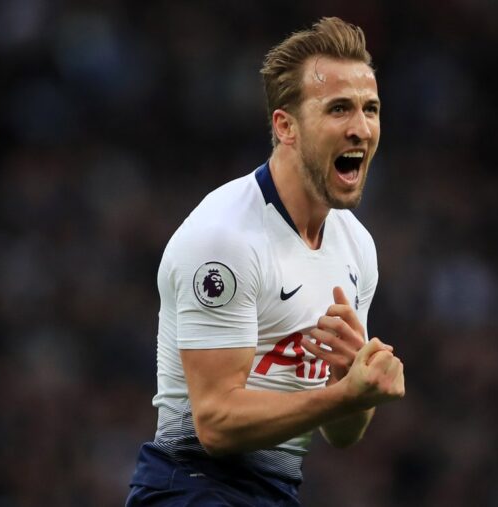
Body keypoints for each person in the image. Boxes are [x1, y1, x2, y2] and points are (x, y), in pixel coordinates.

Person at [126, 17, 405, 506]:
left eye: (371, 109)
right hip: (191, 488)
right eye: (338, 108)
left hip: (274, 493)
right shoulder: (226, 239)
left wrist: (355, 384)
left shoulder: (357, 248)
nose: (360, 128)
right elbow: (214, 424)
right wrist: (342, 395)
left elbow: (342, 434)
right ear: (285, 126)